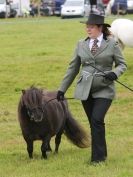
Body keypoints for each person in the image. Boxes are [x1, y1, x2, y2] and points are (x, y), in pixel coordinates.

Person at [56, 13, 127, 164]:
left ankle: (98, 158)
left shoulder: (112, 44)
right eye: (87, 26)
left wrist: (114, 73)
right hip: (84, 90)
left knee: (97, 120)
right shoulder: (80, 44)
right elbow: (72, 69)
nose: (88, 29)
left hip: (105, 89)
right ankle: (102, 153)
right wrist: (62, 90)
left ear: (100, 28)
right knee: (95, 123)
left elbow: (122, 64)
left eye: (91, 27)